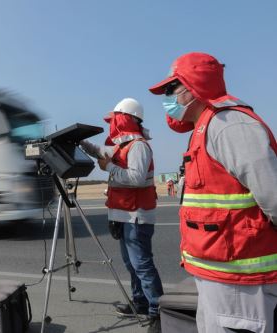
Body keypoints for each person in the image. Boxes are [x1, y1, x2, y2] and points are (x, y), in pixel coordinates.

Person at [149, 52, 277, 332]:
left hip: (241, 278)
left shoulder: (230, 125)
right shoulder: (204, 127)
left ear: (193, 87)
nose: (167, 98)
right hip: (218, 274)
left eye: (172, 89)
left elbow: (273, 195)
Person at [81, 98, 164, 333]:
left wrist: (108, 168)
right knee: (131, 264)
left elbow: (136, 178)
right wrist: (82, 144)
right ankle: (140, 303)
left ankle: (158, 311)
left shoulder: (138, 146)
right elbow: (101, 153)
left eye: (115, 119)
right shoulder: (122, 146)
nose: (112, 124)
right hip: (124, 215)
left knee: (142, 265)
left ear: (124, 119)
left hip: (136, 217)